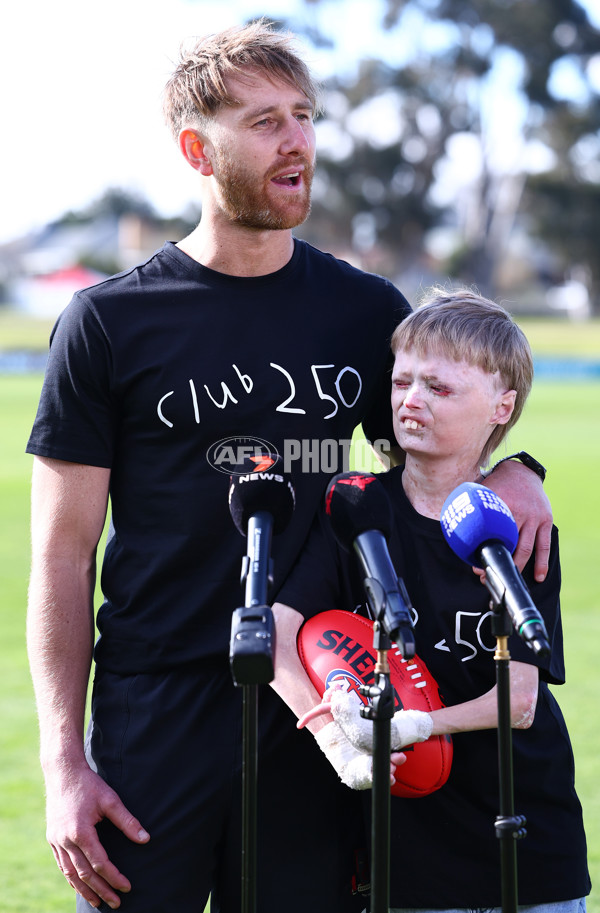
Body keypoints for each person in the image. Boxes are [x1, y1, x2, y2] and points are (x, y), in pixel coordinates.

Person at [25, 20, 552, 913]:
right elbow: (62, 555)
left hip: (319, 704)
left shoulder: (361, 310)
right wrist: (63, 761)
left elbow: (434, 456)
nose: (298, 139)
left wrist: (518, 466)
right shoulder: (108, 324)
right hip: (156, 708)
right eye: (264, 120)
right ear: (199, 147)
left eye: (305, 116)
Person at [271, 290, 590, 912]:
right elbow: (278, 635)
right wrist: (334, 735)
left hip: (529, 841)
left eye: (439, 389)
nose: (410, 401)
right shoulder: (355, 508)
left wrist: (407, 726)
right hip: (406, 856)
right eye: (401, 382)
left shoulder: (516, 524)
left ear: (503, 405)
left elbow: (519, 702)